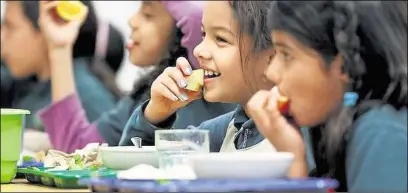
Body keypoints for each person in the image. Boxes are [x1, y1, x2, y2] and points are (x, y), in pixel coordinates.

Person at [247, 1, 407, 192]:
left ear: (345, 64)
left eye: (286, 54)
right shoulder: (337, 125)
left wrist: (294, 163)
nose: (271, 72)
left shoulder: (381, 134)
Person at [38, 1, 237, 153]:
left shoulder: (214, 85)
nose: (131, 21)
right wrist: (59, 49)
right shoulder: (145, 97)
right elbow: (77, 148)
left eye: (148, 15)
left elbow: (198, 16)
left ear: (182, 27)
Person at [119, 1, 278, 153]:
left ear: (273, 56)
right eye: (203, 35)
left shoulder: (300, 131)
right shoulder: (219, 133)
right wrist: (155, 114)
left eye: (221, 39)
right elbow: (134, 168)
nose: (198, 51)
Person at [0, 1, 123, 153]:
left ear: (45, 28)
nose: (2, 39)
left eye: (10, 27)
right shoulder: (24, 84)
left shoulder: (86, 95)